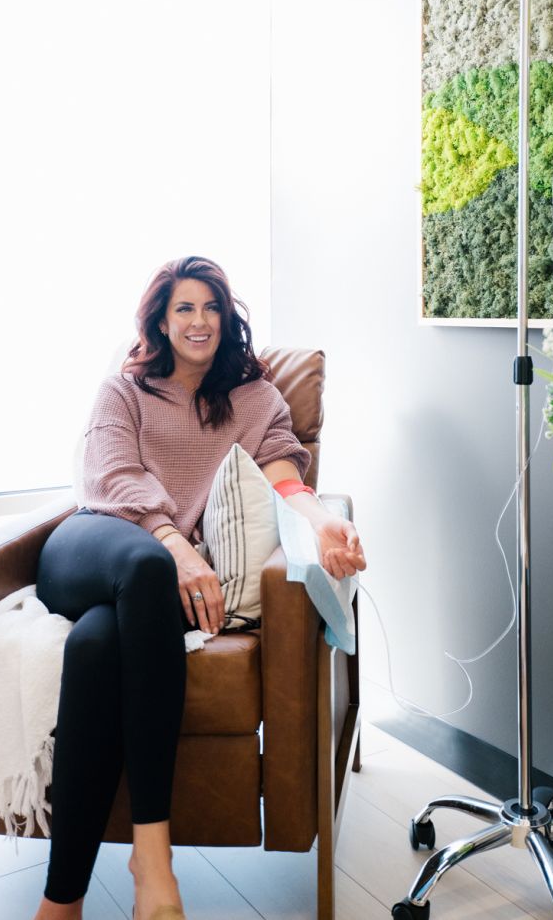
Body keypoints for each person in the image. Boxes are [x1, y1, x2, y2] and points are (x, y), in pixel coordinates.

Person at [33, 255, 366, 920]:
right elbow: (113, 480)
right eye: (184, 307)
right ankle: (153, 858)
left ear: (227, 318)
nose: (200, 319)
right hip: (92, 544)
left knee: (97, 649)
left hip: (143, 589)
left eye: (212, 306)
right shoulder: (123, 390)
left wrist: (327, 523)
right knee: (151, 567)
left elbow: (286, 480)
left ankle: (60, 900)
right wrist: (176, 541)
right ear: (159, 318)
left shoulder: (255, 399)